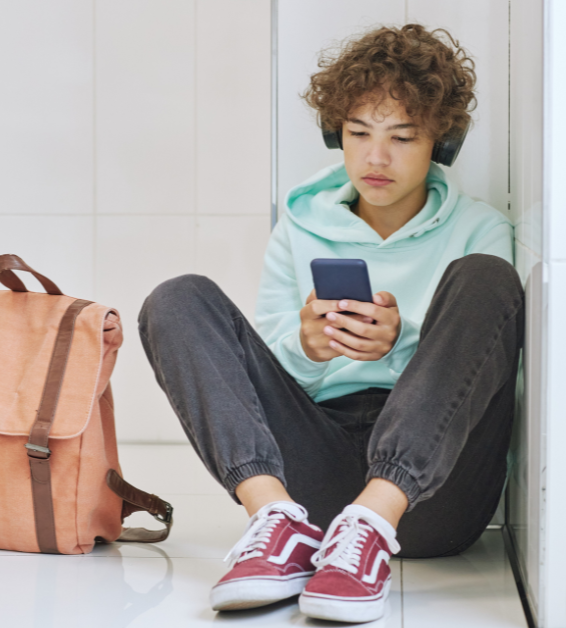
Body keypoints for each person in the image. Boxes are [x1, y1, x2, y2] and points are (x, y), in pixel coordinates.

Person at [137, 23, 523, 624]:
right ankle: (275, 521)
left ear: (440, 143)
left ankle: (372, 522)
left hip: (433, 499)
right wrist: (308, 348)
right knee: (177, 299)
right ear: (334, 133)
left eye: (402, 136)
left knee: (485, 278)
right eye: (358, 133)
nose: (375, 157)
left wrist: (401, 345)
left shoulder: (481, 230)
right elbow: (260, 377)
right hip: (313, 480)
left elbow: (486, 372)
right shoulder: (299, 226)